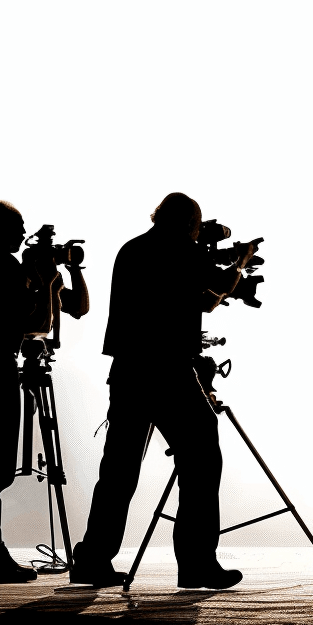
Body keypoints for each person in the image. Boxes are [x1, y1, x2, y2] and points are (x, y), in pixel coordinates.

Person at [70, 193, 256, 589]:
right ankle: (196, 562)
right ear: (188, 222)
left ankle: (92, 558)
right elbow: (220, 288)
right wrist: (240, 259)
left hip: (128, 371)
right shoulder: (181, 250)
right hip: (167, 370)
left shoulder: (133, 249)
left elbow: (199, 302)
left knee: (118, 471)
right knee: (203, 454)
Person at [0, 200, 88, 582]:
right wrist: (41, 277)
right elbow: (26, 315)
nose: (22, 235)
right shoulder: (0, 264)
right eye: (18, 227)